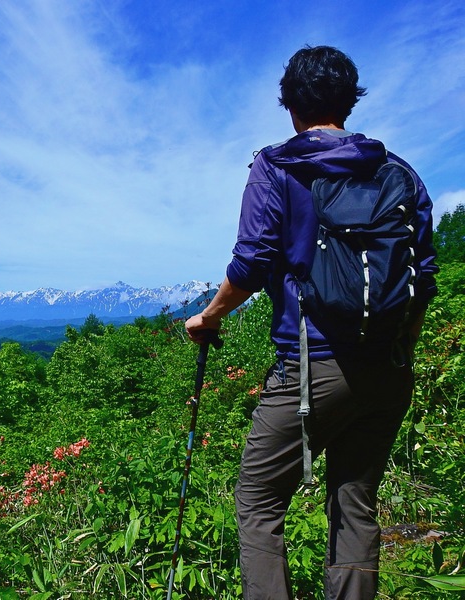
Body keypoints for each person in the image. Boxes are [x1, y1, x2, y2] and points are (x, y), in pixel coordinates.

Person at [185, 45, 438, 599]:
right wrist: (401, 352)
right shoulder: (398, 173)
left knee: (258, 497)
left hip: (312, 365)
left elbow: (251, 263)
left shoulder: (278, 167)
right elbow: (425, 278)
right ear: (349, 101)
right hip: (388, 369)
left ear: (289, 104)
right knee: (354, 502)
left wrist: (209, 316)